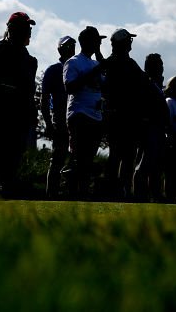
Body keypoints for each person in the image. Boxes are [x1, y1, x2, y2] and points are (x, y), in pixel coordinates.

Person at [0, 12, 38, 197]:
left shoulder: (28, 58)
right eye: (25, 28)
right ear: (13, 29)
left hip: (19, 114)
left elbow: (28, 88)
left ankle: (6, 190)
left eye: (29, 28)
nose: (29, 32)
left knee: (13, 156)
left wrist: (31, 111)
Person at [100, 28, 145, 200]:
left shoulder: (124, 62)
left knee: (126, 156)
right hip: (118, 117)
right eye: (128, 40)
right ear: (123, 43)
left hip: (128, 117)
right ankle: (113, 191)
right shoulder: (116, 63)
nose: (130, 43)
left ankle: (122, 190)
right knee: (117, 155)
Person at [64, 26, 107, 199]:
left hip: (96, 116)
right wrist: (95, 71)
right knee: (79, 157)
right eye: (97, 40)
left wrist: (100, 63)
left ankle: (83, 191)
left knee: (88, 158)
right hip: (79, 115)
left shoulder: (95, 63)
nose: (99, 43)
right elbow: (70, 87)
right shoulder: (73, 62)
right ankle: (72, 192)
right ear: (88, 42)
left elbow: (105, 85)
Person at [41, 35, 75, 198]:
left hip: (75, 118)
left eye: (73, 45)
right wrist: (48, 122)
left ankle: (69, 193)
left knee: (73, 159)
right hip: (60, 120)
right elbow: (45, 99)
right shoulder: (53, 70)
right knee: (58, 158)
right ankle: (52, 194)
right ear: (60, 49)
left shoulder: (76, 67)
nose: (71, 48)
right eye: (68, 46)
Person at [133, 52, 169, 202]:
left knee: (156, 165)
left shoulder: (155, 84)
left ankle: (155, 194)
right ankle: (139, 195)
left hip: (158, 128)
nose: (162, 67)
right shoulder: (145, 83)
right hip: (150, 128)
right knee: (145, 163)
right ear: (151, 67)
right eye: (159, 64)